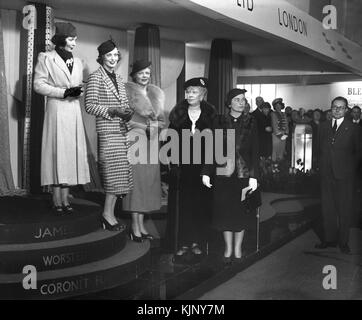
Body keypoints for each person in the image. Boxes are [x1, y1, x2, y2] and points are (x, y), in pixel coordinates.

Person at [33, 22, 90, 215]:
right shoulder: (46, 58)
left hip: (73, 110)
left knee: (70, 155)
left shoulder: (79, 61)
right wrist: (63, 92)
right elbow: (38, 85)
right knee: (57, 154)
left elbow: (79, 86)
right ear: (61, 39)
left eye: (75, 39)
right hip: (57, 109)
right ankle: (56, 199)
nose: (74, 42)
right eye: (71, 39)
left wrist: (78, 92)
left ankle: (66, 199)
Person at [85, 40, 134, 231]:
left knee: (120, 176)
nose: (113, 59)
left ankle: (110, 214)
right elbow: (89, 105)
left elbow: (123, 104)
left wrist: (127, 111)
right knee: (112, 176)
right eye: (109, 55)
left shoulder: (119, 79)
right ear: (102, 58)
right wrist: (113, 110)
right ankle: (107, 215)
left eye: (115, 55)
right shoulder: (96, 77)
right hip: (107, 131)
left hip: (121, 131)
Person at [167, 77, 217, 258]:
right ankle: (183, 242)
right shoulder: (177, 114)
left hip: (203, 169)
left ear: (203, 94)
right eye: (188, 91)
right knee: (182, 207)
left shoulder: (211, 115)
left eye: (194, 91)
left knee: (200, 207)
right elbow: (169, 141)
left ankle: (197, 242)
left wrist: (208, 170)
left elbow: (216, 144)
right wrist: (173, 164)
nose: (190, 95)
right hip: (183, 169)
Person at [212, 89, 259, 264]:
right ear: (229, 103)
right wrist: (207, 173)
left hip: (244, 173)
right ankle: (228, 249)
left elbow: (255, 149)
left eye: (243, 100)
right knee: (225, 212)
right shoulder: (219, 121)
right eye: (237, 100)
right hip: (224, 173)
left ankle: (238, 249)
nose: (241, 103)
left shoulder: (251, 121)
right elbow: (213, 148)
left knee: (241, 212)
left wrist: (255, 176)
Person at [122, 60, 165, 242]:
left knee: (147, 185)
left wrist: (154, 126)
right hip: (136, 141)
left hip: (152, 143)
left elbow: (162, 121)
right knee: (137, 185)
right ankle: (134, 227)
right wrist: (143, 125)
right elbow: (124, 119)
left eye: (147, 72)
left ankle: (141, 226)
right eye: (141, 73)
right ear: (134, 75)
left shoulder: (156, 94)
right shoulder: (126, 92)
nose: (145, 75)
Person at [316, 96, 361, 253]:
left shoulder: (354, 128)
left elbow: (358, 153)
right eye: (334, 107)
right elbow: (318, 150)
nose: (337, 110)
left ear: (346, 110)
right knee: (327, 208)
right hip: (326, 174)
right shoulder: (323, 127)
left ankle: (343, 242)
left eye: (341, 107)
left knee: (344, 209)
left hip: (345, 176)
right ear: (331, 108)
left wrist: (350, 171)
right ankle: (329, 239)